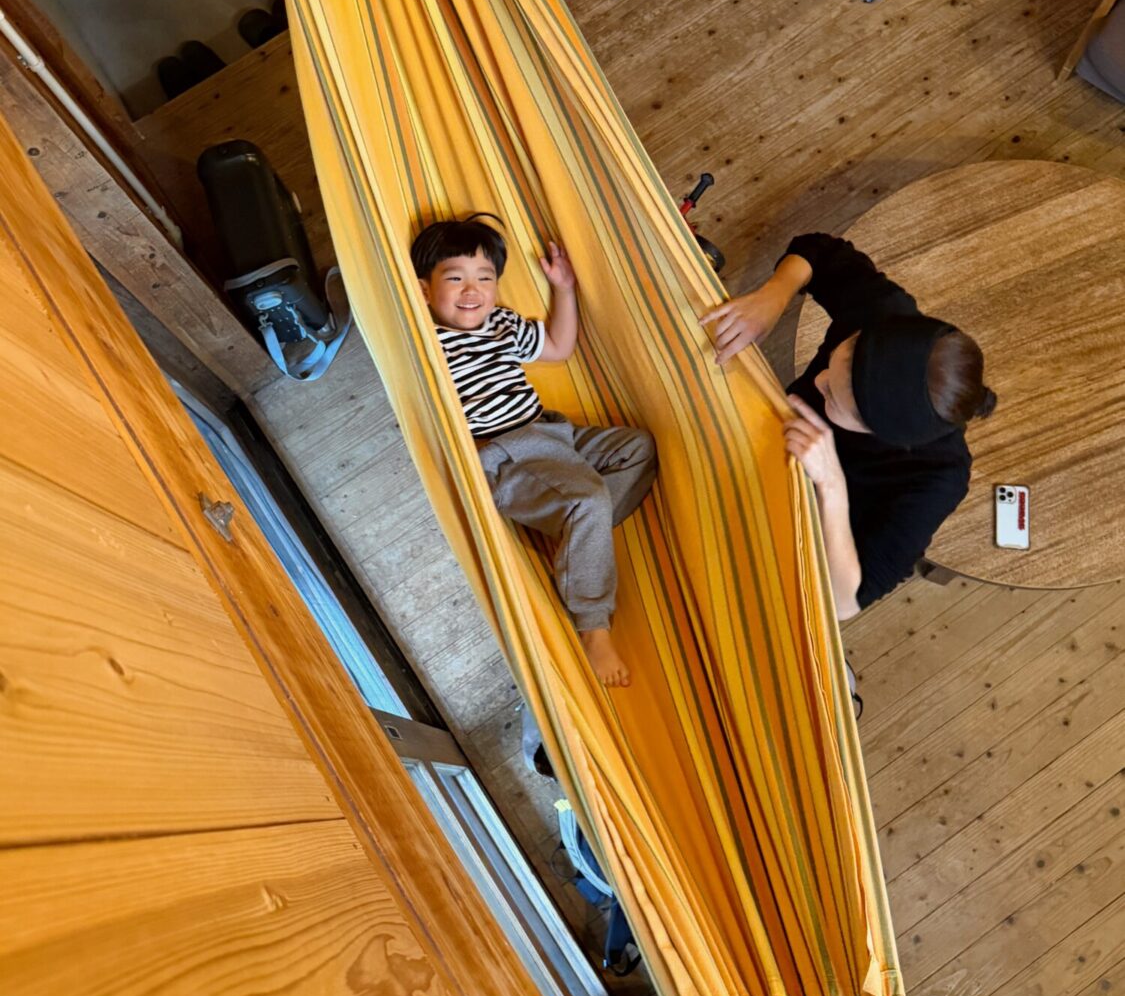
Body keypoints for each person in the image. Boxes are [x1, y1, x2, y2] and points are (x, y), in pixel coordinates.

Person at [412, 214, 657, 686]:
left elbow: (559, 347)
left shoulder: (501, 322)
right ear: (424, 290)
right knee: (589, 500)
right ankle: (594, 625)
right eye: (455, 278)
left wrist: (564, 289)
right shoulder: (427, 341)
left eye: (485, 278)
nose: (472, 290)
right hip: (508, 452)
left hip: (552, 433)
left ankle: (578, 531)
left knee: (637, 447)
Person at [701, 233, 996, 620]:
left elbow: (845, 602)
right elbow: (821, 251)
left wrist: (831, 486)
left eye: (832, 398)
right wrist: (774, 297)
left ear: (879, 434)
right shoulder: (886, 315)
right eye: (833, 364)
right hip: (755, 441)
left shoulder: (938, 478)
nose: (817, 380)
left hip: (791, 532)